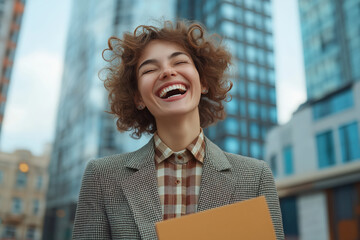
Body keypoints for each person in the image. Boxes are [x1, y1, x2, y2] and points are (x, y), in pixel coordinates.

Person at [72, 20, 284, 240]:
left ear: (203, 82)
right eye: (150, 69)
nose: (167, 72)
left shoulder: (255, 177)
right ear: (138, 98)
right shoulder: (102, 177)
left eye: (179, 62)